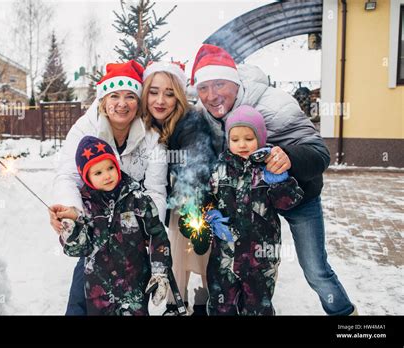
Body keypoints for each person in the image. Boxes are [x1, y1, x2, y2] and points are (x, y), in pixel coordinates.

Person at [190, 44, 356, 315]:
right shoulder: (202, 115)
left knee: (316, 269)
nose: (212, 95)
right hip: (248, 205)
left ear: (235, 82)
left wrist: (289, 156)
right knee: (234, 270)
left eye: (219, 84)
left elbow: (319, 154)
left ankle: (346, 317)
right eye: (204, 88)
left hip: (297, 194)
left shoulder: (274, 105)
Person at [50, 60, 168, 315]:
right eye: (114, 95)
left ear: (138, 102)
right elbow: (68, 177)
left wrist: (145, 231)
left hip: (133, 237)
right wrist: (73, 213)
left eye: (130, 96)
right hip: (97, 229)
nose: (122, 103)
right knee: (84, 297)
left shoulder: (152, 138)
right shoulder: (85, 128)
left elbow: (156, 190)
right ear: (103, 99)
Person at [54, 136, 172, 315]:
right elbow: (78, 250)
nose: (107, 175)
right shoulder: (84, 208)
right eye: (98, 173)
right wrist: (71, 230)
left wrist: (159, 271)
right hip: (99, 289)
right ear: (87, 177)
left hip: (134, 287)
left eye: (110, 168)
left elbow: (157, 234)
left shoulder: (138, 200)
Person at [204, 105, 303, 315]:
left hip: (261, 259)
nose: (242, 145)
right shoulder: (218, 169)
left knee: (259, 307)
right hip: (224, 257)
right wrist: (209, 213)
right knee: (221, 306)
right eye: (235, 139)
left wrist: (279, 182)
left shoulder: (269, 167)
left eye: (248, 138)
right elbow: (203, 199)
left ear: (260, 137)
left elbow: (287, 204)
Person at [141, 61, 216, 315]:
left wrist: (189, 199)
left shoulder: (190, 121)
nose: (160, 100)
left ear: (179, 97)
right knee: (177, 257)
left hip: (195, 201)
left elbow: (196, 160)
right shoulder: (145, 123)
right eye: (154, 92)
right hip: (170, 201)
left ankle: (207, 301)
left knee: (200, 256)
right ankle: (178, 302)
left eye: (170, 93)